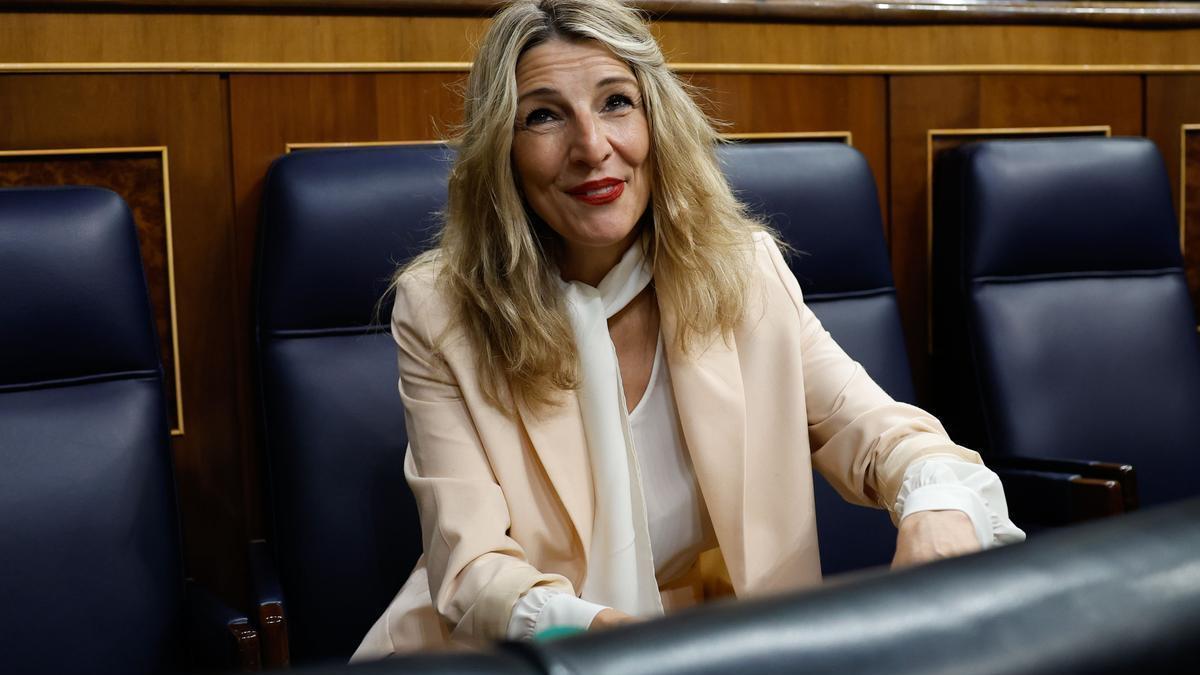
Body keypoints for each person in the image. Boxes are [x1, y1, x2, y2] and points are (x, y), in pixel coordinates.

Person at [353, 0, 1023, 659]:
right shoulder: (440, 309)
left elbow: (883, 433)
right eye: (544, 116)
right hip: (526, 654)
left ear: (656, 121)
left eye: (616, 102)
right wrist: (618, 640)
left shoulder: (743, 271)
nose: (593, 147)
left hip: (728, 649)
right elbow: (473, 573)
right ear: (502, 148)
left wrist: (936, 506)